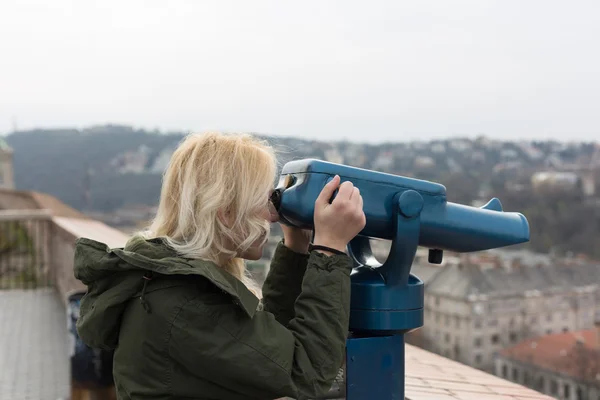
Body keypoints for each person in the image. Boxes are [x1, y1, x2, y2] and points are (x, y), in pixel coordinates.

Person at [74, 132, 366, 400]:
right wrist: (329, 250)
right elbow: (308, 372)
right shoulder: (187, 302)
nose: (274, 215)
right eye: (265, 200)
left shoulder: (168, 279)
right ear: (226, 212)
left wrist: (296, 248)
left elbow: (264, 343)